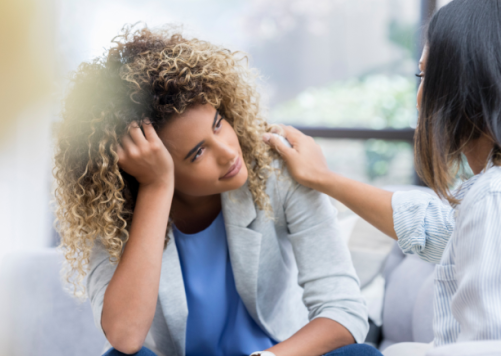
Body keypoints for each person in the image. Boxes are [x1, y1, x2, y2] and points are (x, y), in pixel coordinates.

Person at [263, 0, 501, 354]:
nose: (419, 98)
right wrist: (324, 179)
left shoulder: (500, 198)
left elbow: (492, 350)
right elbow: (436, 229)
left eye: (425, 75)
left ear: (470, 85)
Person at [53, 27, 381, 356]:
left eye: (219, 123)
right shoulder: (112, 213)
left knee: (361, 355)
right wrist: (156, 188)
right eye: (197, 153)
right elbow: (124, 337)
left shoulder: (277, 173)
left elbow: (344, 312)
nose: (227, 152)